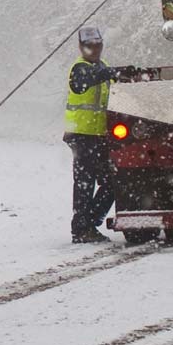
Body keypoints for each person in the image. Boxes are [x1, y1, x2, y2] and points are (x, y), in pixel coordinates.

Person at [64, 26, 122, 244]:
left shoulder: (103, 67)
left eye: (98, 46)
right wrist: (110, 73)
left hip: (99, 136)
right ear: (81, 47)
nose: (94, 50)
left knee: (112, 181)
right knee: (84, 183)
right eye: (90, 46)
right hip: (80, 135)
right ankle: (81, 228)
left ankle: (88, 222)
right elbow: (83, 81)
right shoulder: (79, 69)